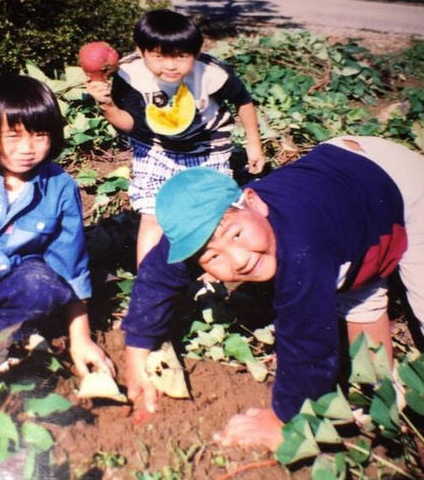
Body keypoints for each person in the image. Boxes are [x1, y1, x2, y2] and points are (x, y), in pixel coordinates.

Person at [120, 135, 424, 451]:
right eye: (212, 257)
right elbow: (158, 273)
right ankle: (384, 399)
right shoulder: (209, 221)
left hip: (404, 186)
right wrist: (137, 345)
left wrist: (286, 421)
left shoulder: (302, 250)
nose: (238, 260)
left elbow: (308, 343)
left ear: (254, 202)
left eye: (236, 234)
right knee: (353, 285)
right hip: (344, 190)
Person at [0, 74, 114, 381]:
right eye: (13, 136)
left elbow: (70, 268)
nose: (27, 148)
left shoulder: (59, 187)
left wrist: (81, 338)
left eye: (39, 135)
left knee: (44, 284)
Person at [86, 9, 264, 265]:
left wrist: (253, 145)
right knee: (152, 215)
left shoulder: (212, 74)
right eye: (158, 56)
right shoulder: (130, 75)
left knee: (213, 214)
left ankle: (213, 274)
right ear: (141, 51)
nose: (170, 65)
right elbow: (132, 124)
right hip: (154, 148)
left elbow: (243, 100)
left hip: (208, 146)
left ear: (197, 52)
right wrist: (107, 106)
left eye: (182, 56)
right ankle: (147, 289)